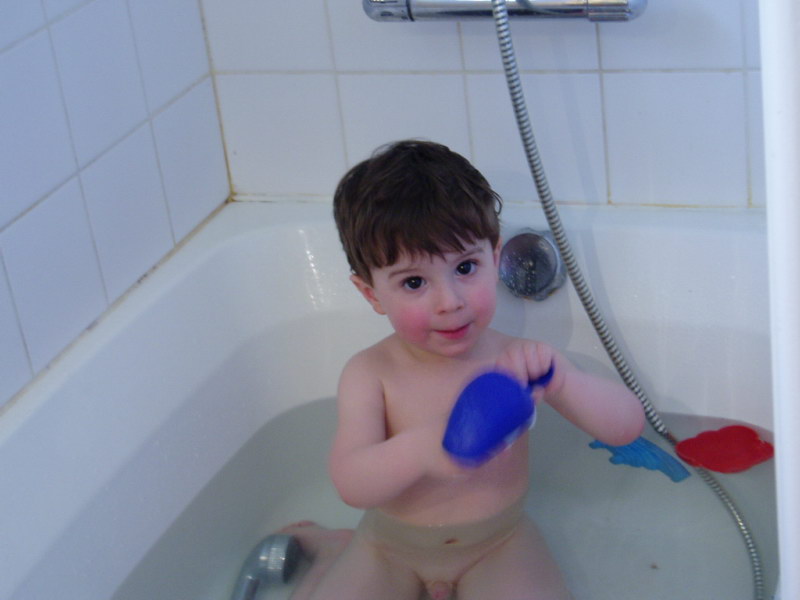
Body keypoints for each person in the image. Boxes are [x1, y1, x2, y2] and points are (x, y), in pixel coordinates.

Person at [280, 140, 645, 599]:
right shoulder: (371, 373)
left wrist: (565, 381)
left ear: (495, 256)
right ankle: (332, 552)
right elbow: (352, 483)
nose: (449, 301)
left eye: (466, 267)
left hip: (498, 543)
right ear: (371, 294)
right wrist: (427, 449)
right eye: (414, 282)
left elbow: (625, 429)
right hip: (390, 546)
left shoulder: (521, 361)